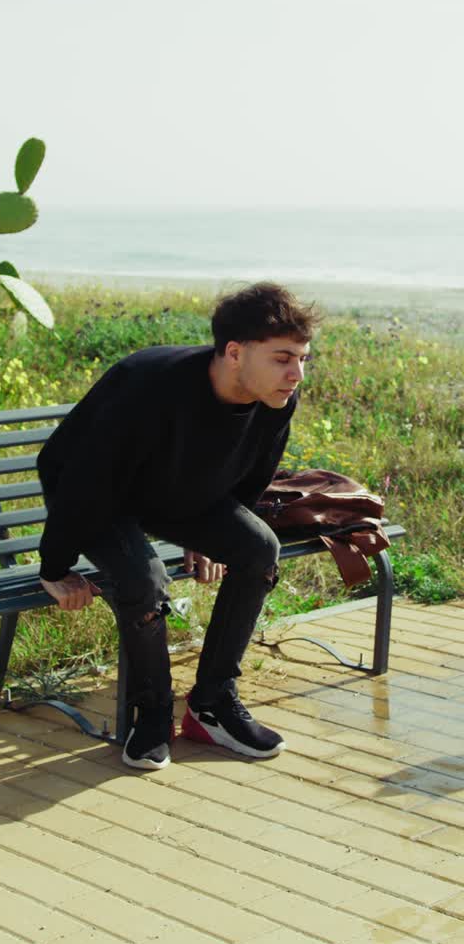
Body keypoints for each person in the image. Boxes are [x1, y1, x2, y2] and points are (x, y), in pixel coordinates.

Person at [37, 281, 319, 771]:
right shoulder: (149, 386)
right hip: (99, 494)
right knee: (144, 580)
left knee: (257, 549)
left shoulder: (276, 400)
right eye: (281, 358)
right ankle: (152, 714)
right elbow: (85, 479)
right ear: (235, 352)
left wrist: (211, 536)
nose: (296, 374)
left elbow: (251, 475)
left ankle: (212, 705)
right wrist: (54, 566)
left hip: (173, 492)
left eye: (302, 358)